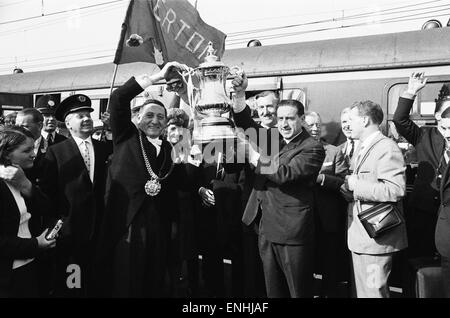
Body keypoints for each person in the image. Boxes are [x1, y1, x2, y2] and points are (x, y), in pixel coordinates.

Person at [94, 62, 188, 297]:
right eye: (149, 115)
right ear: (136, 118)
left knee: (153, 280)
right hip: (127, 223)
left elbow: (173, 183)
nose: (155, 121)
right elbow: (118, 99)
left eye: (160, 116)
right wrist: (158, 76)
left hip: (158, 224)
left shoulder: (168, 147)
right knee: (127, 281)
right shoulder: (126, 136)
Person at [239, 98, 325, 298]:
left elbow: (284, 174)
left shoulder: (312, 147)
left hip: (292, 232)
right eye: (280, 118)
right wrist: (238, 97)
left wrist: (253, 157)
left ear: (302, 119)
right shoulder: (273, 137)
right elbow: (248, 125)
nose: (284, 124)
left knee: (297, 290)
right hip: (266, 227)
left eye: (290, 118)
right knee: (273, 290)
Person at [39, 94, 111, 297]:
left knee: (96, 279)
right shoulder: (56, 152)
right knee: (74, 282)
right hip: (70, 233)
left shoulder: (105, 148)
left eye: (88, 114)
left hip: (99, 229)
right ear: (68, 123)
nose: (87, 118)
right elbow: (48, 192)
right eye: (80, 115)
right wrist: (57, 224)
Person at [341, 100, 407, 298]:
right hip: (363, 238)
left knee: (373, 293)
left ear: (364, 120)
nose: (347, 124)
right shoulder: (365, 146)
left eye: (351, 120)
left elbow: (395, 189)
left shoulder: (386, 147)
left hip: (376, 239)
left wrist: (356, 185)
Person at [393, 72, 446, 259]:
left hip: (447, 215)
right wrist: (411, 91)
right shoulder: (425, 135)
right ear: (438, 115)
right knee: (420, 259)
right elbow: (400, 120)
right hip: (424, 211)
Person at [0, 127, 56, 297]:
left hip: (29, 266)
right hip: (8, 276)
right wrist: (35, 245)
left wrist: (26, 185)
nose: (33, 154)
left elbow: (47, 209)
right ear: (6, 153)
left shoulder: (22, 175)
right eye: (26, 150)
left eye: (33, 148)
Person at [303, 111, 349, 297]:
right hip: (303, 217)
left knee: (329, 260)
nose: (315, 129)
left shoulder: (333, 151)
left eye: (317, 125)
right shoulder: (294, 151)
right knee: (305, 261)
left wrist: (322, 179)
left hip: (327, 217)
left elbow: (343, 181)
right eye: (310, 125)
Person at [338, 106, 359, 172]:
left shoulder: (367, 145)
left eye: (351, 121)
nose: (347, 125)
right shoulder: (338, 149)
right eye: (344, 122)